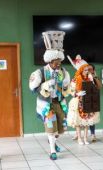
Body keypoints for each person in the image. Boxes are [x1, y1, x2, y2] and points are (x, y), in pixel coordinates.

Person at [29, 31, 70, 160]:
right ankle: (52, 150)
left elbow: (67, 86)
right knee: (51, 127)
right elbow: (32, 88)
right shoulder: (40, 72)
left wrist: (64, 85)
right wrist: (45, 85)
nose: (59, 64)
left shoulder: (63, 72)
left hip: (58, 102)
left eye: (60, 61)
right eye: (56, 62)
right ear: (50, 61)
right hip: (47, 105)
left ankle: (54, 142)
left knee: (60, 128)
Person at [67, 55, 100, 145]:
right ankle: (79, 139)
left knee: (86, 121)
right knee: (78, 122)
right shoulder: (75, 79)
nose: (87, 71)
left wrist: (92, 81)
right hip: (78, 101)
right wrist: (77, 94)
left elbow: (94, 88)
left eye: (87, 70)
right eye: (85, 70)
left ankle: (85, 138)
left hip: (87, 100)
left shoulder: (90, 78)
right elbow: (71, 90)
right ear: (81, 70)